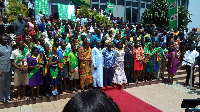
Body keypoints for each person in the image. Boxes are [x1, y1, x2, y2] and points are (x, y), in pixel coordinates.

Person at [0, 34, 12, 103]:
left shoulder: (9, 47)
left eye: (6, 39)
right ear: (0, 40)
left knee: (8, 84)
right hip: (2, 69)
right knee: (1, 84)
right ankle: (2, 98)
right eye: (4, 39)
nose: (6, 40)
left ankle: (7, 96)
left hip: (9, 68)